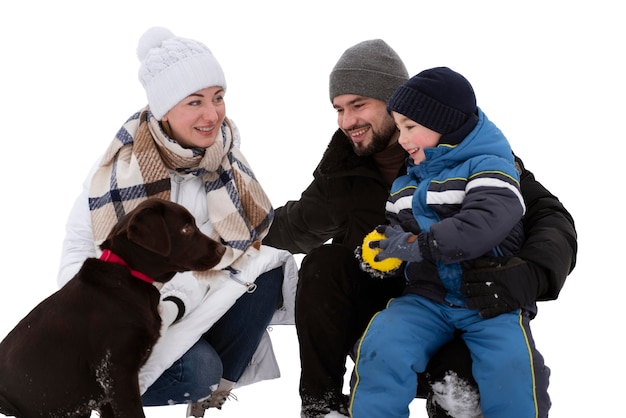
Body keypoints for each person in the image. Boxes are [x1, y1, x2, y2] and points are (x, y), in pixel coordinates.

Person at [263, 40, 577, 418]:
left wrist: (533, 272)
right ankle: (322, 407)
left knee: (470, 377)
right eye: (339, 109)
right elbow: (291, 226)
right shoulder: (344, 171)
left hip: (469, 307)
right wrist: (216, 234)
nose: (346, 121)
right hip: (401, 314)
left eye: (358, 105)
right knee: (324, 262)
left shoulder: (479, 159)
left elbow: (550, 217)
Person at [56, 27, 298, 417]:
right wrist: (93, 321)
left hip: (193, 305)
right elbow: (79, 246)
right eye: (195, 101)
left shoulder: (228, 165)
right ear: (163, 109)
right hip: (126, 313)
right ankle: (103, 392)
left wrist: (178, 302)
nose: (212, 114)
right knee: (198, 369)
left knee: (268, 266)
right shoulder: (120, 170)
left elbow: (243, 246)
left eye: (218, 98)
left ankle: (214, 391)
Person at [351, 66, 542, 418]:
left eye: (410, 127)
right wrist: (381, 251)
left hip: (489, 298)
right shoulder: (406, 183)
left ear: (445, 123)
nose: (403, 138)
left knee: (512, 369)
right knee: (382, 344)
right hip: (427, 298)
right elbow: (395, 231)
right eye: (399, 127)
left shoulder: (490, 167)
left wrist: (418, 245)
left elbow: (482, 224)